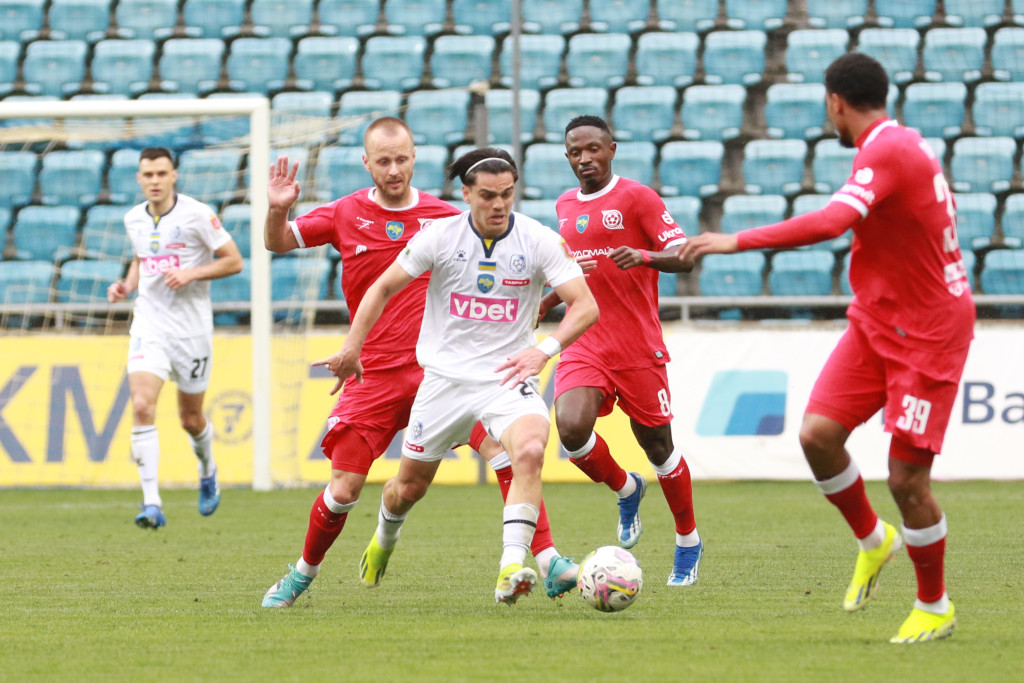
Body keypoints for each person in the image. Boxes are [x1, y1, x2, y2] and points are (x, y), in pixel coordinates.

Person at [679, 53, 973, 643]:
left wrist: (733, 240)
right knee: (817, 436)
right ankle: (873, 539)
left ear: (836, 102)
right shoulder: (897, 145)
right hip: (878, 320)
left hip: (929, 332)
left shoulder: (890, 149)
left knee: (906, 481)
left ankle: (934, 605)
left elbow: (833, 222)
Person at [261, 121, 582, 608]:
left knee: (514, 452)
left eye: (402, 159)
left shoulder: (449, 218)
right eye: (383, 161)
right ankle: (304, 572)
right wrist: (277, 210)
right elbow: (279, 242)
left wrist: (548, 297)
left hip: (447, 372)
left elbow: (504, 281)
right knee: (346, 489)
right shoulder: (346, 212)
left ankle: (545, 559)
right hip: (372, 372)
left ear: (415, 158)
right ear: (367, 163)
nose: (394, 170)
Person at [542, 115, 704, 587]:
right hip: (585, 340)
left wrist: (645, 256)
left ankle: (688, 540)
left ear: (611, 149)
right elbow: (574, 271)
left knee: (659, 449)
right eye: (576, 152)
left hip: (637, 347)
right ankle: (625, 487)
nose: (585, 159)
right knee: (571, 431)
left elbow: (686, 255)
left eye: (594, 149)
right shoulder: (564, 205)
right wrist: (546, 304)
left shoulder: (638, 198)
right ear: (567, 157)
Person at [107, 147, 243, 529]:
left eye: (161, 174)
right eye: (148, 175)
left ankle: (207, 468)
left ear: (173, 176)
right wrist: (126, 286)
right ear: (139, 178)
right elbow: (141, 257)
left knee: (191, 419)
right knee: (142, 404)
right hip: (149, 325)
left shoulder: (197, 214)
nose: (154, 181)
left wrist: (191, 273)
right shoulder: (133, 218)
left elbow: (234, 260)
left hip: (191, 332)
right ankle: (152, 502)